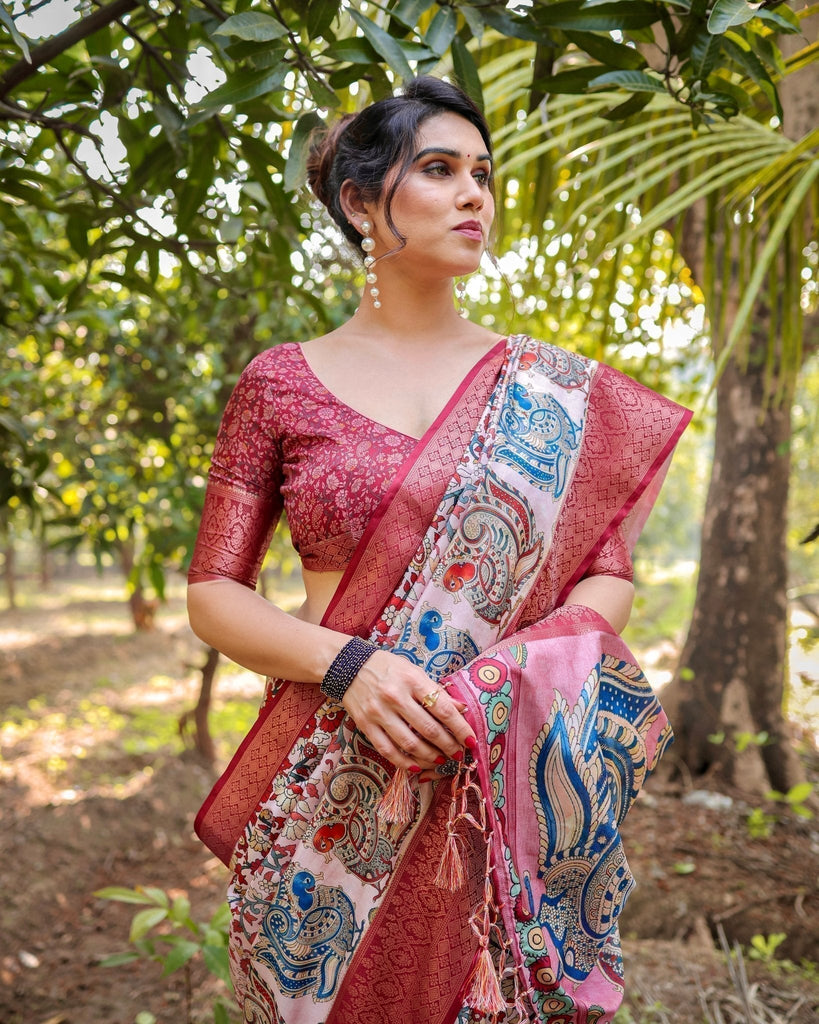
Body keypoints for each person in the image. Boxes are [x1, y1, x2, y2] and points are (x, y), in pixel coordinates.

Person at [187, 76, 691, 1024]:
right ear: (359, 202)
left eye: (483, 175)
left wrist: (501, 682)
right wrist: (351, 667)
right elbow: (215, 590)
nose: (474, 196)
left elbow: (606, 575)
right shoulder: (280, 384)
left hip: (493, 768)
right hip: (330, 774)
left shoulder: (549, 390)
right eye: (439, 170)